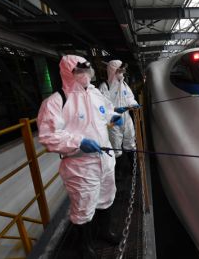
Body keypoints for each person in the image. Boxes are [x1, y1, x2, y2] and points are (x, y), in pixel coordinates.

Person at [37, 55, 124, 258]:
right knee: (83, 206)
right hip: (80, 166)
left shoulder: (94, 94)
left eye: (86, 70)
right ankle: (84, 246)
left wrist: (114, 118)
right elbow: (48, 137)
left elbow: (106, 112)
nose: (85, 75)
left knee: (106, 197)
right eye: (79, 71)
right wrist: (78, 143)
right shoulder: (56, 101)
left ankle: (104, 231)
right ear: (68, 73)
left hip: (105, 158)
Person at [99, 60, 139, 191]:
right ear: (113, 71)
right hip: (113, 121)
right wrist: (115, 110)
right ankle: (118, 172)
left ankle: (133, 168)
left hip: (126, 118)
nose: (123, 73)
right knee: (116, 146)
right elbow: (102, 106)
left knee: (130, 142)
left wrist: (133, 104)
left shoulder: (125, 84)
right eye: (120, 71)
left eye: (122, 71)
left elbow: (130, 97)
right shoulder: (104, 86)